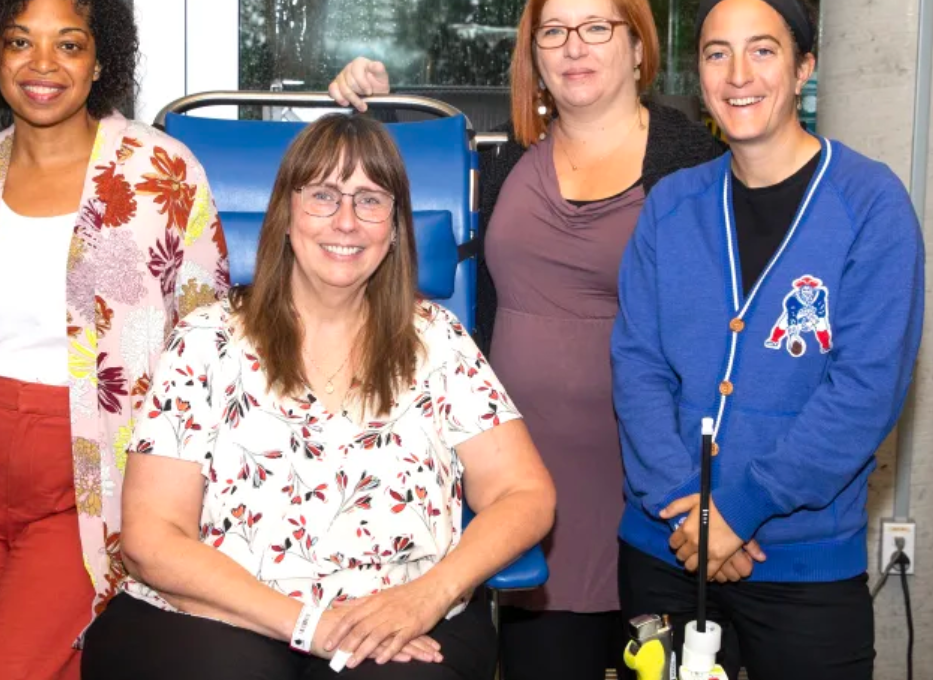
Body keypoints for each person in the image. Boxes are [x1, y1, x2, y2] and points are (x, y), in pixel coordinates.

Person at [81, 113, 556, 680]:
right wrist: (310, 624)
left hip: (400, 619)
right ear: (285, 214)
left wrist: (429, 596)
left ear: (397, 227)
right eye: (324, 196)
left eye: (371, 200)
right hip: (224, 613)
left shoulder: (439, 343)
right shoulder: (206, 340)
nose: (347, 222)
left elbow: (526, 493)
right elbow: (151, 536)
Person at [327, 2, 722, 678]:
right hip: (526, 489)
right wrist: (372, 110)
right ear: (533, 55)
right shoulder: (514, 156)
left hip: (652, 488)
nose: (575, 46)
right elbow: (397, 223)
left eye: (597, 26)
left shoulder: (693, 163)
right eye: (553, 31)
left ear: (637, 48)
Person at [0, 0, 230, 678]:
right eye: (18, 42)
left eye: (68, 44)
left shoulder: (164, 177)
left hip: (99, 485)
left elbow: (207, 359)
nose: (42, 65)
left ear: (100, 61)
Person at [612, 1, 923, 678]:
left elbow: (864, 391)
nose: (736, 73)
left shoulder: (870, 205)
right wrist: (689, 515)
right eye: (715, 53)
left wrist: (739, 511)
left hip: (804, 568)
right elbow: (636, 366)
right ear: (697, 75)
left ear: (803, 65)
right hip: (664, 551)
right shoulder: (669, 205)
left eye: (762, 50)